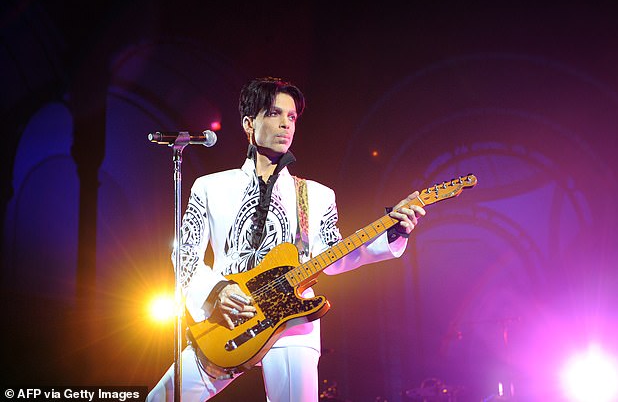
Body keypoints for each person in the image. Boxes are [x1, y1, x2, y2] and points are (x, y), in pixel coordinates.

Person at [147, 77, 425, 402]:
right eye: (275, 114)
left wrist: (393, 231)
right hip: (229, 319)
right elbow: (184, 255)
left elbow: (336, 255)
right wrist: (216, 292)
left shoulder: (317, 195)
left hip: (292, 325)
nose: (286, 124)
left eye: (292, 117)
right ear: (249, 124)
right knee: (160, 399)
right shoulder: (210, 187)